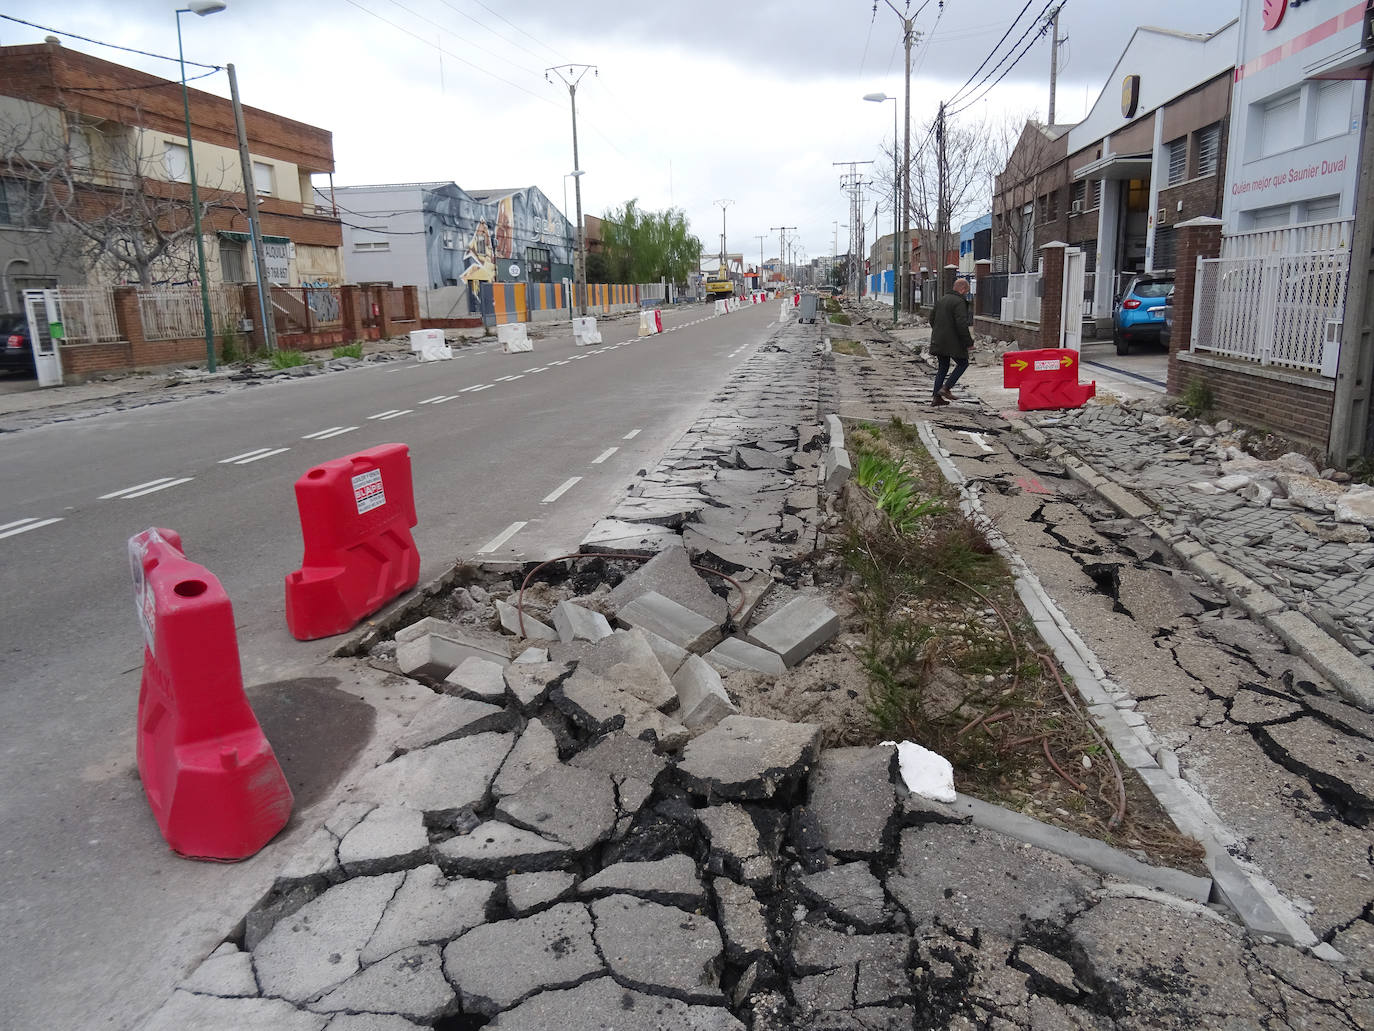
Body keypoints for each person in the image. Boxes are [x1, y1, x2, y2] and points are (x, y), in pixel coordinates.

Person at [929, 278, 974, 406]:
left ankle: (936, 398)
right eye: (966, 292)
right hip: (953, 342)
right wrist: (968, 342)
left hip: (938, 339)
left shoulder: (941, 300)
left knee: (943, 367)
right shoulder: (959, 302)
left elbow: (931, 318)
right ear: (962, 289)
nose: (966, 294)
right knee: (963, 363)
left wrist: (939, 331)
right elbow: (961, 324)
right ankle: (946, 388)